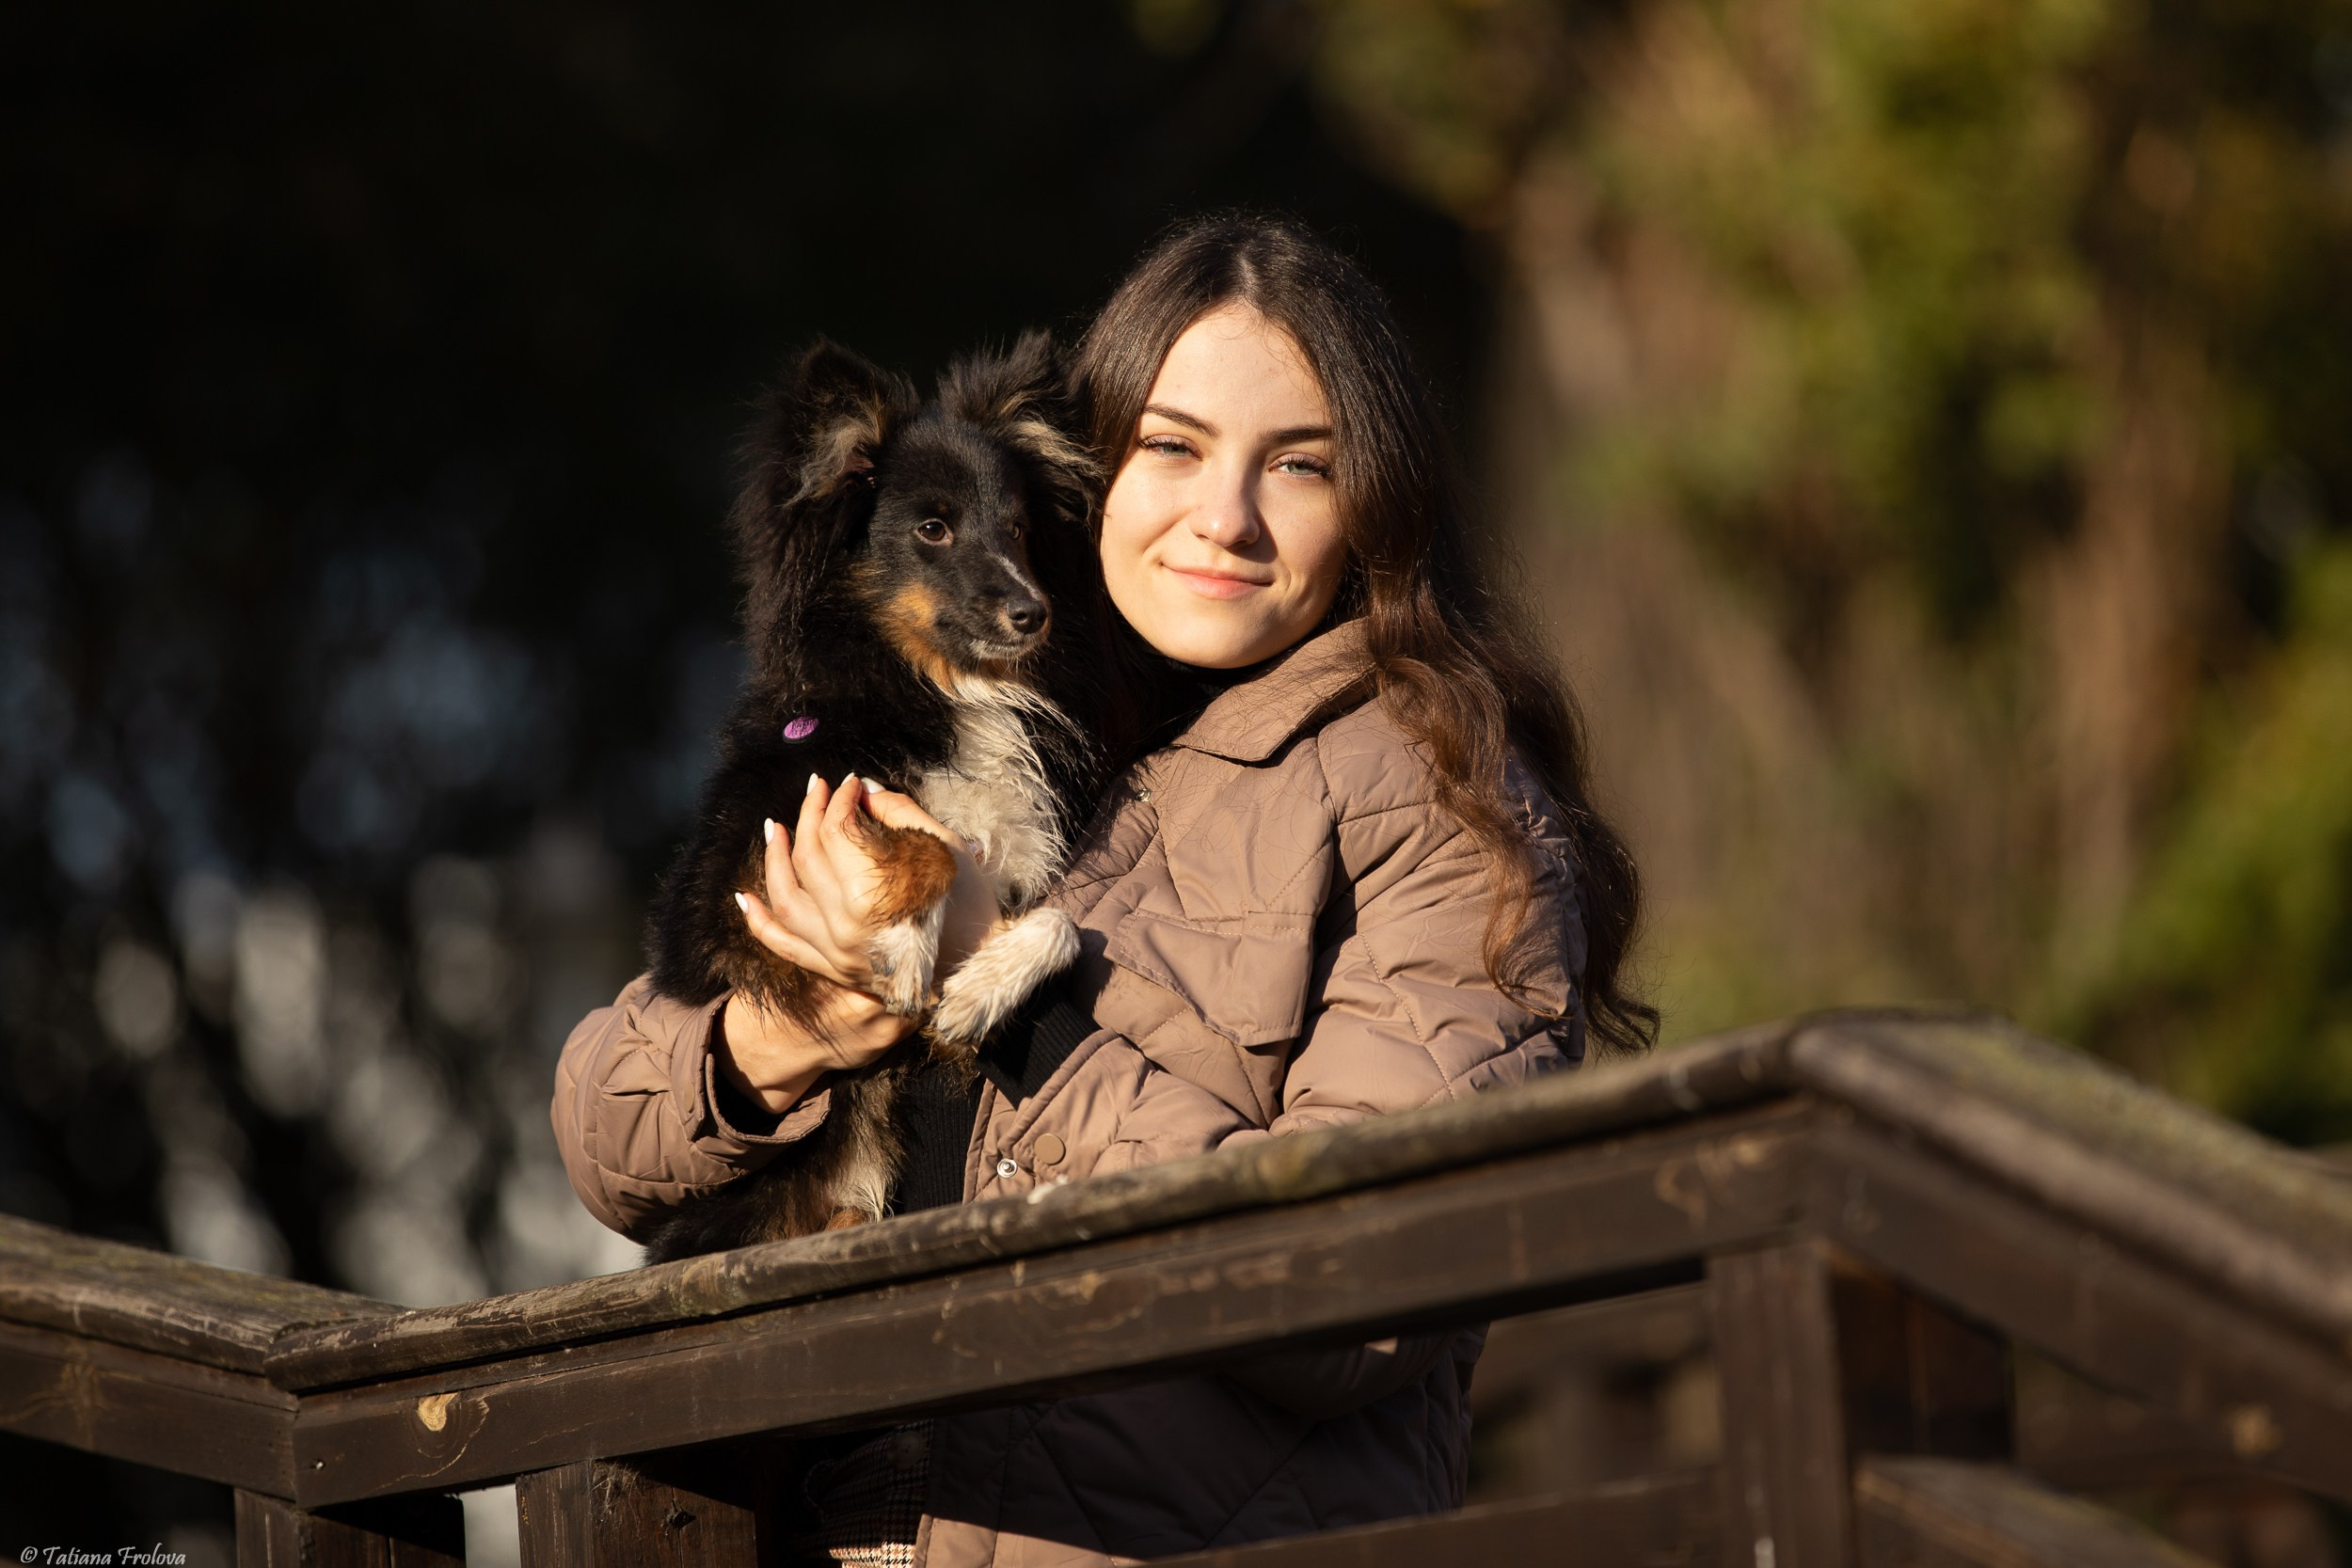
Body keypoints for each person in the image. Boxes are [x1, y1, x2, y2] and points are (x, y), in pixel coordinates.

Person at [552, 214, 1652, 1568]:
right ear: (1093, 467)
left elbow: (1359, 1295)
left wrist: (1012, 1003)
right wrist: (782, 1037)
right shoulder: (1017, 728)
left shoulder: (1452, 810)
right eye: (1172, 446)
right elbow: (605, 1129)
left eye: (1298, 465)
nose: (1224, 517)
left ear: (1378, 499)